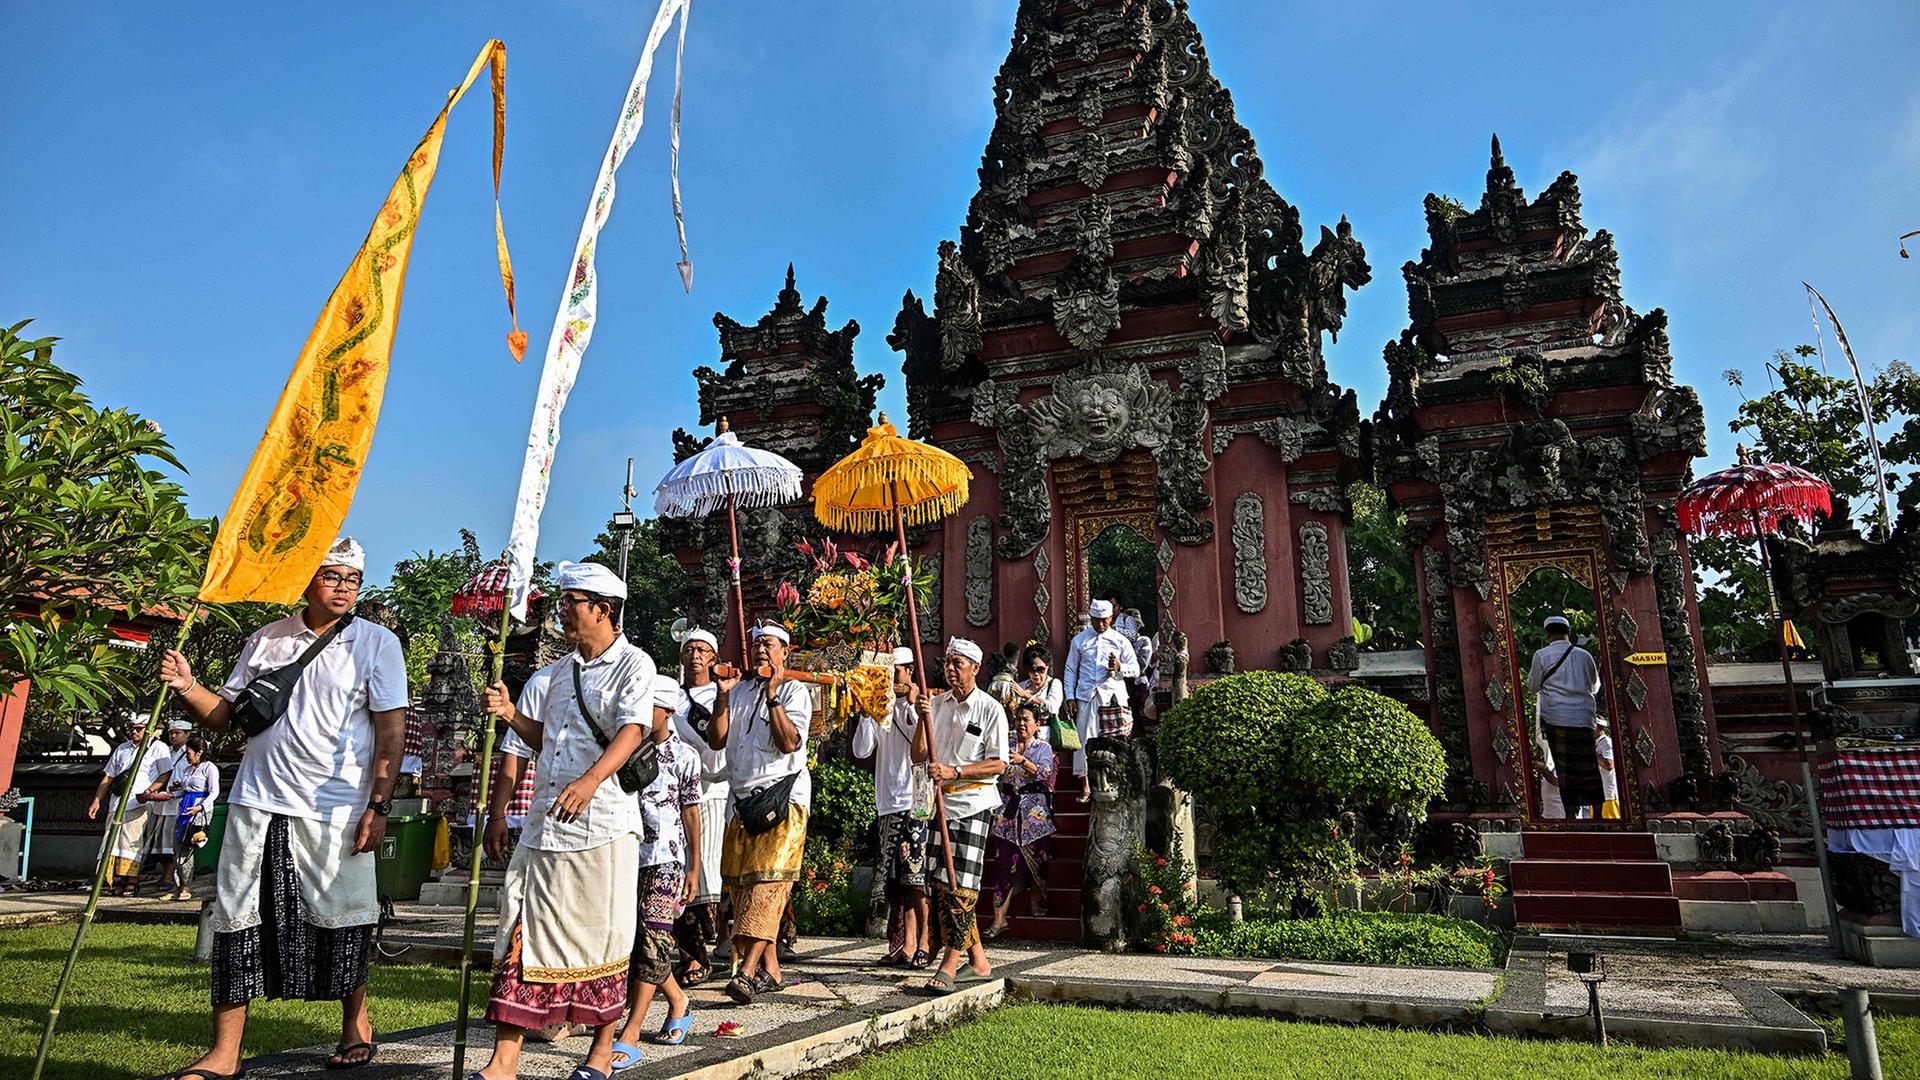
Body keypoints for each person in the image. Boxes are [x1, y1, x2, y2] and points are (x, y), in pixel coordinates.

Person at [154, 536, 407, 1076]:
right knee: (236, 916)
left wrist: (378, 806)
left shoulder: (377, 643)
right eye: (332, 576)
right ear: (307, 581)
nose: (343, 588)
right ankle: (225, 1052)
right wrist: (188, 686)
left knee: (346, 917)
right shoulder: (266, 639)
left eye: (353, 580)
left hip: (335, 805)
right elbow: (226, 717)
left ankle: (354, 1023)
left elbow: (391, 731)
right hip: (257, 798)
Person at [476, 560, 655, 1080]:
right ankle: (503, 1062)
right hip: (544, 828)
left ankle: (600, 1055)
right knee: (519, 931)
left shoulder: (634, 665)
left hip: (603, 828)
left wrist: (591, 780)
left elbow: (632, 731)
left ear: (602, 610)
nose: (562, 612)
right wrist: (510, 714)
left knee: (605, 938)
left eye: (571, 604)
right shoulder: (551, 675)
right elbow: (541, 743)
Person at [705, 623, 811, 1005]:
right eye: (756, 644)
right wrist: (721, 697)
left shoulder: (796, 691)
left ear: (785, 651)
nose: (761, 650)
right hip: (741, 800)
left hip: (783, 800)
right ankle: (772, 970)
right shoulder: (739, 691)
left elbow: (789, 743)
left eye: (769, 644)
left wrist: (773, 695)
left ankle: (747, 972)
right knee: (741, 886)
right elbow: (716, 740)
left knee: (768, 887)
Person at [610, 672, 704, 1069]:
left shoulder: (686, 757)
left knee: (654, 937)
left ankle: (631, 1032)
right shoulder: (626, 750)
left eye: (649, 706)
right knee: (635, 940)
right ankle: (678, 999)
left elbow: (691, 811)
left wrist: (694, 867)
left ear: (667, 710)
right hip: (629, 853)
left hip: (666, 858)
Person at [914, 637, 1009, 994]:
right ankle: (980, 960)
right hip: (939, 804)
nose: (951, 669)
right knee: (942, 885)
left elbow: (999, 762)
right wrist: (923, 719)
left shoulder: (990, 709)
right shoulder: (937, 704)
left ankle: (950, 963)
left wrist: (955, 771)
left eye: (958, 663)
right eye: (948, 662)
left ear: (975, 668)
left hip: (973, 803)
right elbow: (918, 755)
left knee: (962, 889)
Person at [851, 646, 932, 969]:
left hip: (914, 801)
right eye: (886, 672)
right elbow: (860, 750)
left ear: (909, 671)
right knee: (894, 882)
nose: (891, 678)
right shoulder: (881, 707)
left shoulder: (919, 706)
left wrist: (913, 705)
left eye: (895, 672)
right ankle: (902, 944)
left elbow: (922, 751)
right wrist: (867, 709)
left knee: (914, 878)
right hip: (887, 801)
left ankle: (923, 939)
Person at [670, 629, 729, 987]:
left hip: (714, 792)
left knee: (713, 872)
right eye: (689, 649)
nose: (695, 654)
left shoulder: (723, 696)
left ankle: (723, 939)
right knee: (681, 876)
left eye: (703, 650)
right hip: (676, 797)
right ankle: (692, 955)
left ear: (713, 658)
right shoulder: (670, 697)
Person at [985, 701, 1057, 940]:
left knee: (1039, 860)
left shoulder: (1043, 747)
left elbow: (1046, 773)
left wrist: (1022, 761)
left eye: (1026, 719)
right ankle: (999, 920)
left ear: (1037, 724)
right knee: (1004, 864)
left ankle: (1037, 900)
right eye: (1018, 719)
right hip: (1007, 811)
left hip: (1034, 813)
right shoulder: (1005, 743)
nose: (1021, 723)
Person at [1528, 614, 1603, 818]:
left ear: (1548, 633)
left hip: (1557, 718)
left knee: (1565, 769)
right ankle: (1597, 815)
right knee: (1588, 767)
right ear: (1568, 633)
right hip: (1584, 718)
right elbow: (1595, 686)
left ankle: (1571, 815)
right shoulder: (1584, 655)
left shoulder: (1542, 656)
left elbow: (1533, 686)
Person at [1063, 599, 1139, 798]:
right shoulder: (1079, 640)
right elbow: (1071, 669)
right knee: (1084, 739)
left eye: (1104, 620)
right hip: (1087, 695)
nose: (1100, 624)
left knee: (1114, 740)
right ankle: (1086, 784)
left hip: (1112, 697)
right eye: (1096, 620)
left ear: (1111, 618)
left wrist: (1120, 667)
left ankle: (1114, 780)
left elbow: (1136, 669)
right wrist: (1069, 696)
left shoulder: (1120, 640)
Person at [89, 723, 173, 897]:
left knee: (131, 840)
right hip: (117, 801)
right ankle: (118, 880)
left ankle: (132, 881)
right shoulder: (122, 748)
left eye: (139, 728)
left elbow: (165, 773)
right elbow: (108, 776)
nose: (134, 732)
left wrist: (150, 791)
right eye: (132, 728)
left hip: (139, 801)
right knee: (111, 840)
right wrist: (97, 800)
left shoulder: (158, 747)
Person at [162, 736, 220, 900]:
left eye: (189, 753)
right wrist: (170, 795)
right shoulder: (188, 770)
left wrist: (200, 807)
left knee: (187, 847)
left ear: (199, 753)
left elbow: (214, 792)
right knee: (177, 846)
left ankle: (186, 886)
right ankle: (178, 885)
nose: (187, 756)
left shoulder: (209, 768)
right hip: (185, 807)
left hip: (198, 809)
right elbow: (184, 790)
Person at [140, 720, 196, 882]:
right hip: (160, 802)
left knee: (172, 843)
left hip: (177, 803)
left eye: (178, 733)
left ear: (187, 735)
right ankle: (165, 874)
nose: (173, 736)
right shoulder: (166, 752)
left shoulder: (190, 754)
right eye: (171, 732)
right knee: (159, 843)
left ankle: (170, 877)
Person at [1009, 643, 1064, 743]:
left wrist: (1027, 696)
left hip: (1045, 737)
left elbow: (1053, 708)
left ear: (1047, 667)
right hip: (1023, 737)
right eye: (1032, 670)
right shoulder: (1022, 686)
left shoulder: (1054, 684)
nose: (1036, 674)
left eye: (1041, 670)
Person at [1578, 719, 1623, 820]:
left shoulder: (1606, 742)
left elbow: (1609, 765)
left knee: (1610, 824)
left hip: (1607, 795)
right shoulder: (1595, 743)